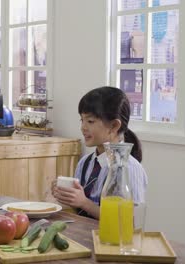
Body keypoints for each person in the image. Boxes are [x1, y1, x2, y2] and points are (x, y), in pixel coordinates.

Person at [51, 86, 148, 219]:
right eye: (82, 120)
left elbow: (127, 221)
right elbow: (79, 211)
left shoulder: (129, 168)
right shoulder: (85, 163)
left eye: (90, 121)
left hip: (110, 239)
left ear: (114, 126)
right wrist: (68, 196)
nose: (83, 127)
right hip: (84, 235)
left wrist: (85, 203)